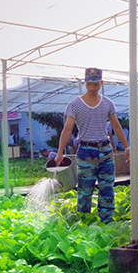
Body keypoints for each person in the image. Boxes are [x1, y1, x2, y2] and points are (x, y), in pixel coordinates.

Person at [55, 68, 130, 224]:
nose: (92, 88)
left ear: (101, 83)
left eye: (96, 84)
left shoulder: (107, 103)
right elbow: (68, 129)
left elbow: (116, 126)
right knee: (85, 189)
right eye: (89, 84)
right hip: (85, 151)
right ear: (85, 83)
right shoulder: (75, 105)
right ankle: (84, 221)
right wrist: (60, 152)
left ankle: (106, 221)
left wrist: (126, 147)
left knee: (107, 187)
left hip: (105, 149)